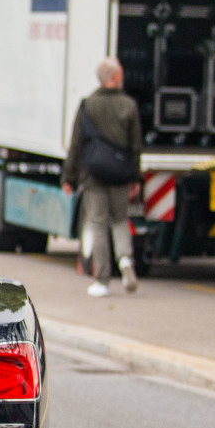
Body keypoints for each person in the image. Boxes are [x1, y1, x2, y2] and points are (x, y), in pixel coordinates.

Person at [62, 57, 143, 297]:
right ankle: (126, 259)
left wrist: (69, 177)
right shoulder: (129, 105)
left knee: (97, 222)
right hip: (120, 174)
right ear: (114, 78)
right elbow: (136, 145)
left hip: (93, 174)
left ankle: (103, 280)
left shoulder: (88, 105)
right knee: (119, 219)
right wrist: (135, 178)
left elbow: (76, 143)